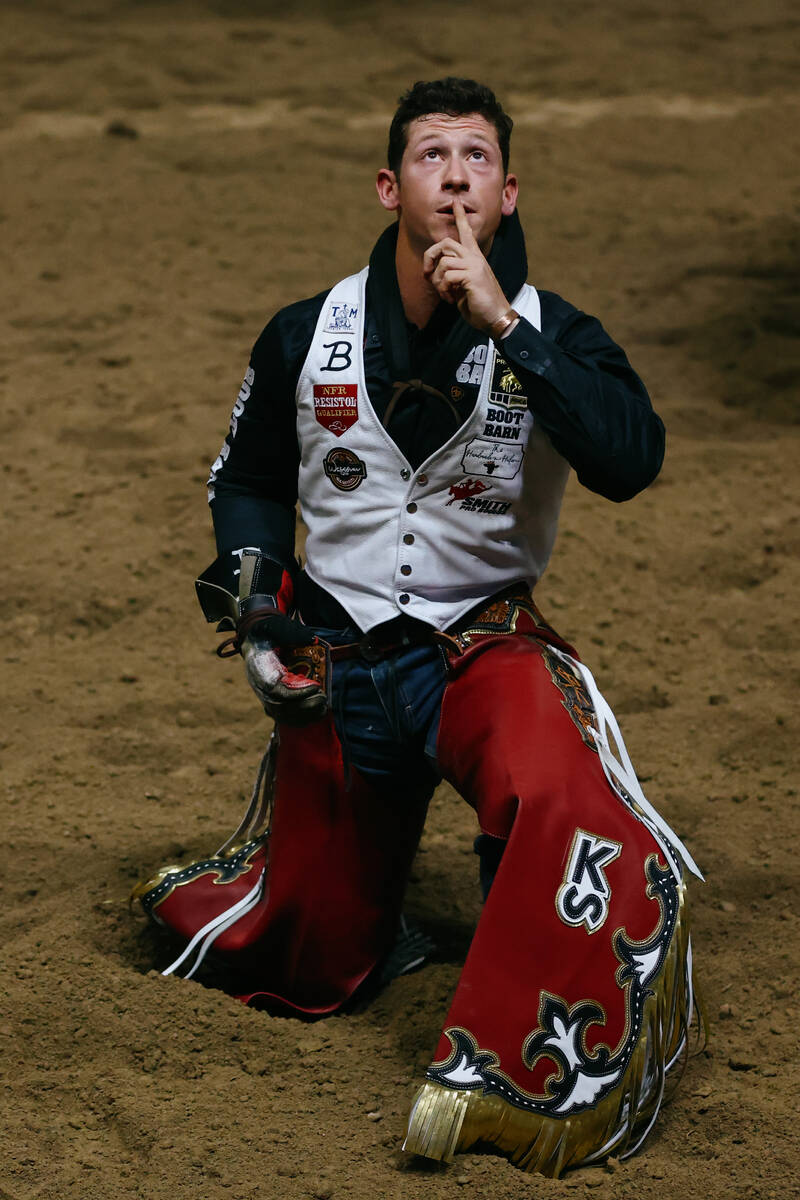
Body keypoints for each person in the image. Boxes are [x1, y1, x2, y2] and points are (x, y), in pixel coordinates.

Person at [137, 78, 702, 1177]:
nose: (454, 175)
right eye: (432, 157)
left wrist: (503, 325)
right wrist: (257, 617)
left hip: (482, 648)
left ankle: (507, 1056)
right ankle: (367, 919)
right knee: (305, 962)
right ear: (390, 187)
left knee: (557, 794)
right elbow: (247, 481)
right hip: (339, 656)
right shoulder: (307, 330)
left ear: (506, 192)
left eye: (477, 158)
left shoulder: (557, 332)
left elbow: (630, 462)